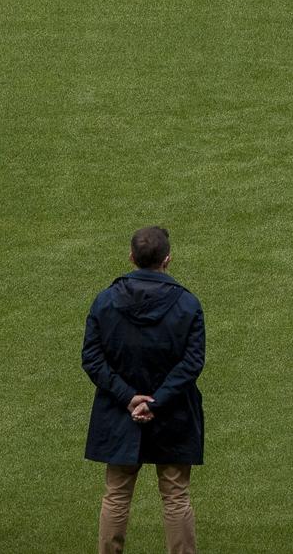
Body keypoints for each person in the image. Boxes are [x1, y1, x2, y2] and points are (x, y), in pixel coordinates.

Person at [83, 226, 206, 554]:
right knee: (176, 497)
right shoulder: (188, 304)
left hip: (119, 413)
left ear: (131, 258)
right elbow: (192, 364)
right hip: (174, 412)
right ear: (167, 260)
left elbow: (92, 359)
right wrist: (157, 401)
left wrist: (127, 397)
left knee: (116, 495)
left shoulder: (105, 301)